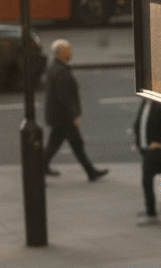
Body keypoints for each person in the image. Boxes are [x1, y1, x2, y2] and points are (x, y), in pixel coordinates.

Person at [43, 39, 109, 181]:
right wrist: (75, 115)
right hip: (64, 118)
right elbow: (65, 97)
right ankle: (91, 173)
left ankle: (41, 168)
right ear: (62, 53)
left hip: (58, 117)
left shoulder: (54, 67)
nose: (71, 53)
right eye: (68, 50)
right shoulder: (61, 71)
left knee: (56, 145)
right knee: (76, 146)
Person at [133, 97, 161, 223]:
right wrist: (138, 143)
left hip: (156, 151)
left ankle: (151, 213)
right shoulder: (145, 103)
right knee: (159, 175)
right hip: (145, 149)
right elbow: (140, 124)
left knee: (147, 180)